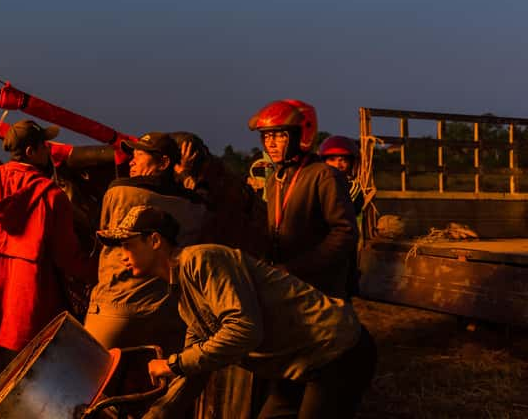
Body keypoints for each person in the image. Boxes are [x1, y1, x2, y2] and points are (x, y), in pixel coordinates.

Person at [97, 207, 375, 419]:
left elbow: (244, 331)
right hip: (299, 362)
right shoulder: (183, 293)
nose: (121, 256)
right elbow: (196, 366)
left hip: (335, 350)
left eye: (127, 245)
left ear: (155, 240)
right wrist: (157, 414)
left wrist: (173, 364)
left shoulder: (202, 260)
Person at [0, 119, 94, 394]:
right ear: (31, 151)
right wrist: (99, 270)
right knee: (10, 385)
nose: (49, 151)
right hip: (24, 305)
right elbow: (68, 258)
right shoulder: (52, 197)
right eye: (45, 146)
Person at [84, 132, 210, 353]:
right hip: (168, 313)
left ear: (163, 162)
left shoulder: (120, 191)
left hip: (116, 307)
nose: (131, 161)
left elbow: (103, 231)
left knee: (88, 379)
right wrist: (184, 173)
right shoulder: (195, 206)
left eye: (139, 156)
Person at [248, 100, 358, 299]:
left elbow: (344, 233)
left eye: (279, 135)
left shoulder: (324, 175)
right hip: (284, 285)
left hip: (320, 289)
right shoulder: (275, 179)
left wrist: (296, 268)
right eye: (266, 136)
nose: (270, 143)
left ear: (301, 135)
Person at [317, 135, 364, 214]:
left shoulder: (353, 187)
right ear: (324, 162)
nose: (337, 165)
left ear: (351, 163)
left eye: (343, 160)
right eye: (332, 160)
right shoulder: (318, 183)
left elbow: (340, 211)